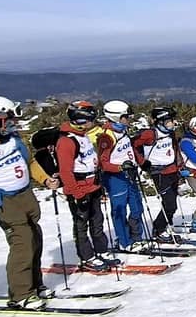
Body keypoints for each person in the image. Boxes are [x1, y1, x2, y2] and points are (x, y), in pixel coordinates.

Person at [0, 95, 61, 308]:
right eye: (8, 119)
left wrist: (45, 179)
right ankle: (21, 294)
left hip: (25, 195)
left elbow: (30, 163)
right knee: (22, 242)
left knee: (35, 237)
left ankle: (35, 285)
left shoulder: (16, 140)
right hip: (2, 200)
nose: (13, 123)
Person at [55, 101, 118, 271]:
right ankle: (87, 257)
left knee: (97, 221)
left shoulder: (83, 136)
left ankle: (101, 251)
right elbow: (66, 172)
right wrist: (77, 193)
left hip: (93, 186)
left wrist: (99, 183)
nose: (93, 122)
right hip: (79, 189)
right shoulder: (67, 141)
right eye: (90, 119)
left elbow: (91, 161)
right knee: (81, 225)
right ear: (81, 119)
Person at [95, 100, 146, 251]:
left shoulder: (122, 131)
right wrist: (120, 167)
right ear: (116, 117)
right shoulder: (107, 137)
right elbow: (103, 163)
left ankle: (137, 236)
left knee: (137, 207)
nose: (129, 119)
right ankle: (125, 242)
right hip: (115, 178)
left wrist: (139, 162)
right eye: (126, 116)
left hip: (129, 174)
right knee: (119, 210)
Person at [133, 107, 183, 241]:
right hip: (159, 172)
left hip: (172, 170)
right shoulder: (150, 134)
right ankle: (158, 230)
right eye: (168, 121)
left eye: (172, 121)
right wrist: (142, 162)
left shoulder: (170, 133)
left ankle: (164, 226)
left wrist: (179, 165)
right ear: (160, 122)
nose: (172, 124)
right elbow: (133, 145)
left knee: (172, 204)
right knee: (169, 204)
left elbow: (173, 149)